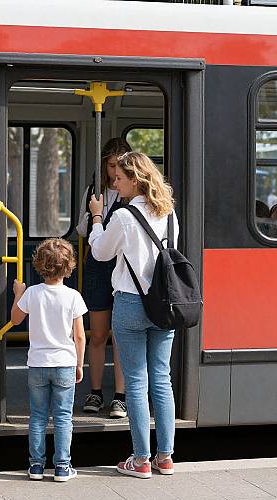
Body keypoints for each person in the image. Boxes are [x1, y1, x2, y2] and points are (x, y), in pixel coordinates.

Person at [89, 151, 178, 479]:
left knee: (137, 381)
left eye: (120, 178)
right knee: (162, 378)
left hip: (129, 302)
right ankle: (165, 457)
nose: (114, 182)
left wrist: (97, 218)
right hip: (163, 305)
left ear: (136, 180)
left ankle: (140, 460)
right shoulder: (169, 214)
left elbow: (100, 252)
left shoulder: (124, 216)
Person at [10, 238, 87, 482]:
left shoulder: (32, 293)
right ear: (69, 267)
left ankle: (36, 466)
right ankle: (63, 467)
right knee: (63, 416)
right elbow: (80, 336)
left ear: (39, 265)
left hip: (38, 364)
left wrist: (18, 294)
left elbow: (15, 320)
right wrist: (79, 364)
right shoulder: (73, 296)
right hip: (64, 363)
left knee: (38, 416)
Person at [76, 137, 131, 419]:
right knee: (97, 335)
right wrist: (92, 213)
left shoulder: (132, 194)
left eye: (120, 166)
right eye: (111, 165)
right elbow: (83, 231)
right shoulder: (94, 191)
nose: (115, 172)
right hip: (98, 268)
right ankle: (95, 391)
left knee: (120, 336)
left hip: (122, 266)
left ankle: (120, 396)